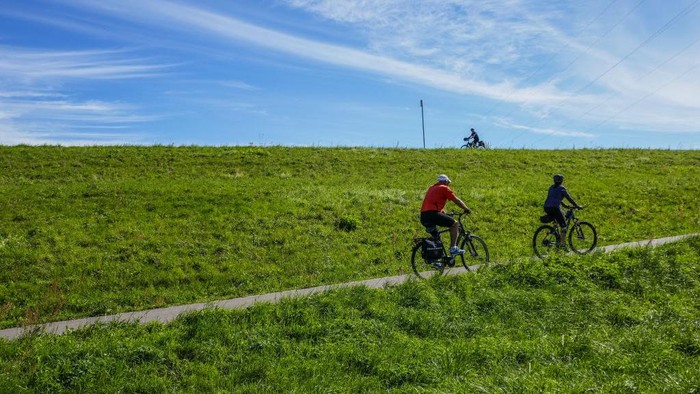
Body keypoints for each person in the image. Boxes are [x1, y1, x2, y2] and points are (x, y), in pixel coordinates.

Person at [420, 174, 472, 255]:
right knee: (455, 224)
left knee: (437, 239)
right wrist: (466, 208)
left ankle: (437, 260)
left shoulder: (432, 188)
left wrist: (443, 213)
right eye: (448, 183)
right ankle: (453, 248)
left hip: (424, 216)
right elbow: (456, 200)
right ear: (445, 181)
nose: (448, 185)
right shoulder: (444, 188)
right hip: (433, 214)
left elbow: (433, 203)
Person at [543, 174, 582, 245]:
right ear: (561, 181)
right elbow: (569, 198)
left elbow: (555, 199)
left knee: (560, 217)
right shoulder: (562, 188)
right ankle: (562, 244)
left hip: (546, 207)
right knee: (564, 227)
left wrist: (565, 206)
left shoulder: (551, 187)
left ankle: (555, 233)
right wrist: (577, 206)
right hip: (554, 208)